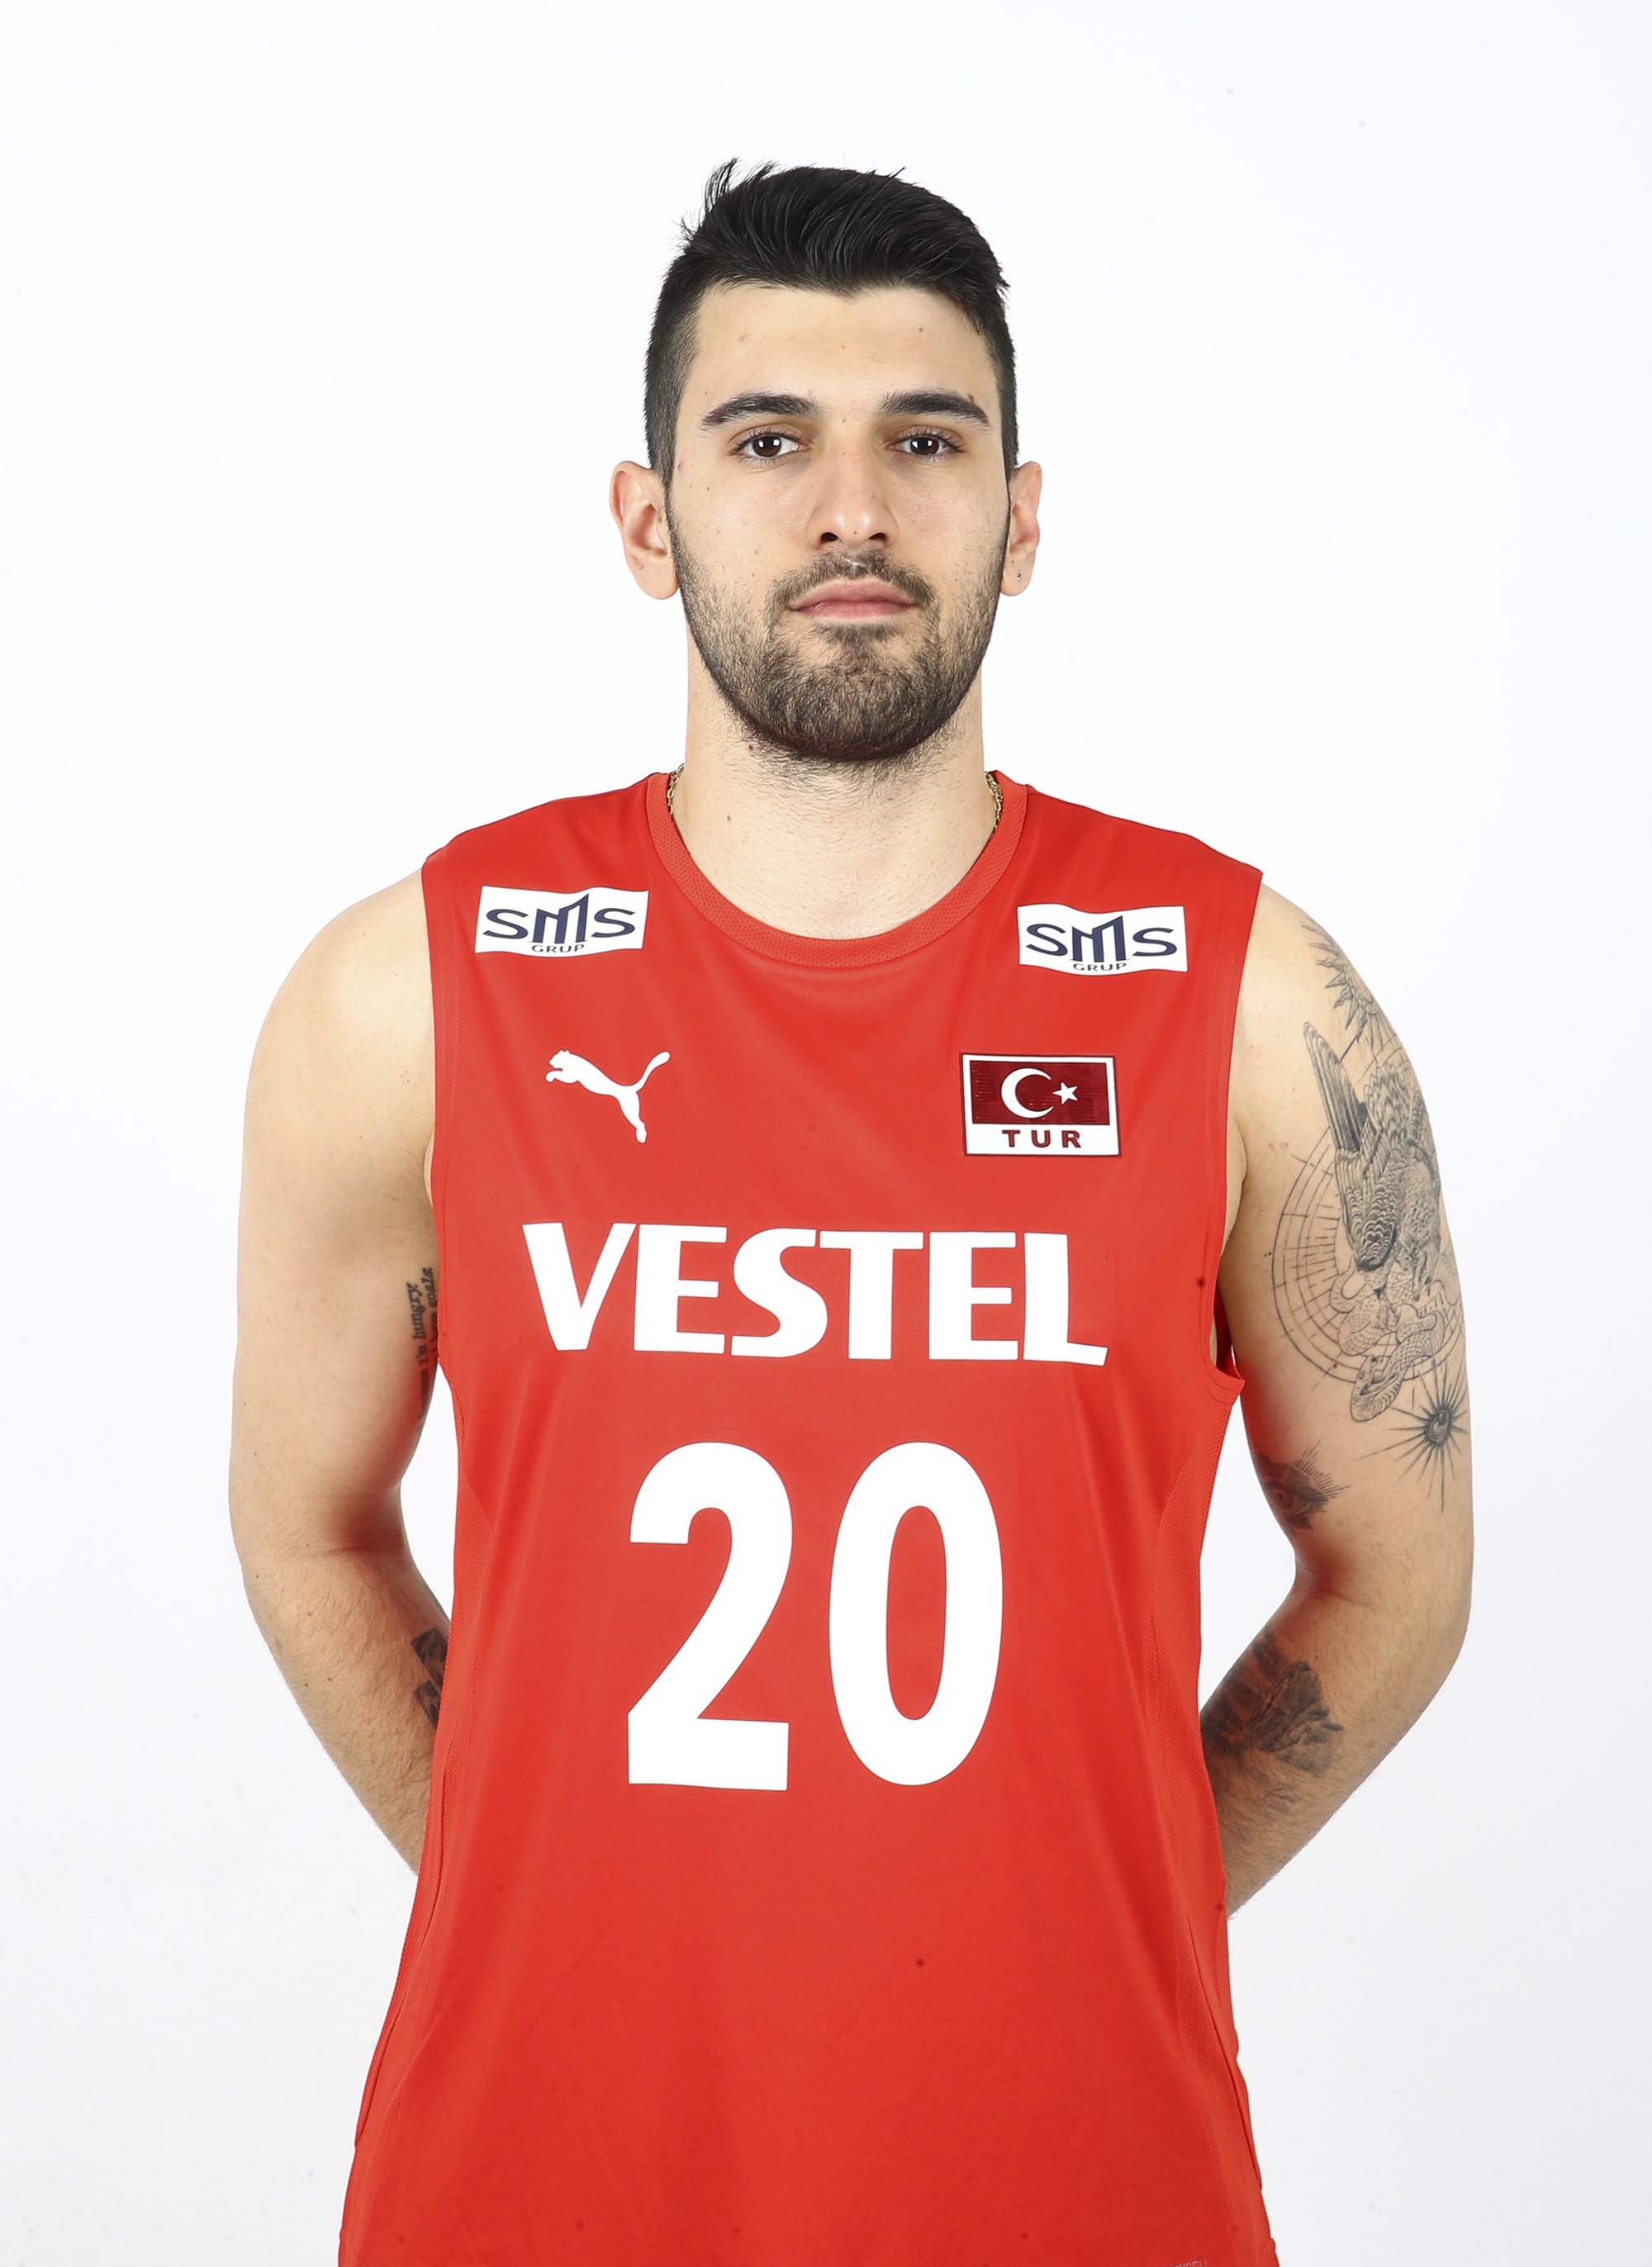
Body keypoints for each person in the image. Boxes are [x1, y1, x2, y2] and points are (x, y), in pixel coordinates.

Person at [231, 163, 1473, 2267]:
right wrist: (554, 1891)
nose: (850, 512)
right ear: (648, 521)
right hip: (535, 2185)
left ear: (1020, 515)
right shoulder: (407, 997)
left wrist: (1096, 1908)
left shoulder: (1251, 1000)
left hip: (1081, 2186)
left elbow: (1398, 1577)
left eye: (925, 441)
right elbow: (306, 1531)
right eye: (764, 442)